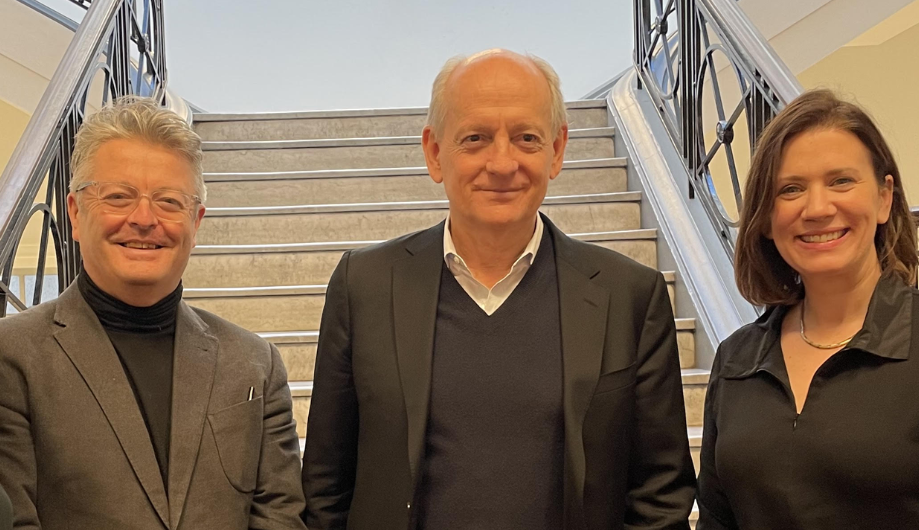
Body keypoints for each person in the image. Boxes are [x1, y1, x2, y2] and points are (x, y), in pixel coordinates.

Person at [301, 49, 696, 529]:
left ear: (556, 151)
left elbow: (661, 492)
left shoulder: (630, 296)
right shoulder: (362, 286)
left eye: (526, 138)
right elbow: (325, 487)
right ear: (434, 152)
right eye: (476, 138)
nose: (503, 162)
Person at [696, 89, 919, 529]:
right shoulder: (736, 359)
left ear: (883, 198)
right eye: (791, 189)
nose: (818, 208)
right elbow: (717, 521)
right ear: (764, 217)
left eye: (841, 181)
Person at [0, 97, 307, 530]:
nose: (144, 219)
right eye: (119, 196)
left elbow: (282, 517)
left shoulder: (256, 364)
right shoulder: (11, 357)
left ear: (196, 222)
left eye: (168, 201)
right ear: (74, 212)